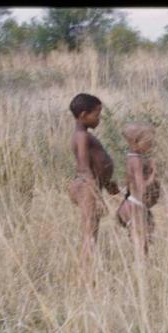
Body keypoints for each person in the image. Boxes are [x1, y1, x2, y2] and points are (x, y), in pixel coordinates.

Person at [67, 93, 119, 266]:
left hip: (90, 186)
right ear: (83, 115)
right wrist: (96, 194)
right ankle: (86, 276)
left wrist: (108, 184)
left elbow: (95, 163)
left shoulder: (84, 135)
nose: (99, 119)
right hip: (86, 188)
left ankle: (88, 272)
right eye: (96, 114)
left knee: (92, 232)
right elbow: (83, 166)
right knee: (89, 234)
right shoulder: (82, 137)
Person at [116, 122, 160, 255]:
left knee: (142, 240)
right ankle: (141, 270)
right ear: (136, 142)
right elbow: (142, 188)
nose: (151, 145)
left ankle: (141, 268)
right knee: (142, 244)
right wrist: (153, 173)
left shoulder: (132, 159)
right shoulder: (137, 161)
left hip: (133, 204)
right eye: (148, 142)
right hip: (135, 206)